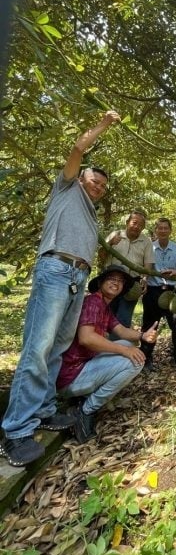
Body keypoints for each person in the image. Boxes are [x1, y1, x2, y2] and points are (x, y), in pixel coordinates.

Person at [0, 111, 120, 467]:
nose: (97, 187)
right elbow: (78, 147)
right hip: (55, 268)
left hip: (77, 276)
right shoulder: (66, 188)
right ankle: (16, 430)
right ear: (79, 177)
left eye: (102, 186)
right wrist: (104, 124)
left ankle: (44, 409)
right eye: (93, 181)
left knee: (57, 347)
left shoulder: (91, 212)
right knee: (37, 348)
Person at [57, 265, 158, 443]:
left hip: (83, 366)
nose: (116, 283)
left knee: (130, 343)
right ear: (101, 282)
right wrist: (125, 351)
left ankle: (88, 395)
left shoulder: (104, 305)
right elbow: (86, 338)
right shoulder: (93, 302)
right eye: (111, 278)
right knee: (135, 360)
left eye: (120, 281)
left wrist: (143, 335)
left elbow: (122, 332)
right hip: (71, 377)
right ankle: (86, 409)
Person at [140, 218, 176, 371]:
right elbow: (144, 267)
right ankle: (145, 359)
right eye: (160, 228)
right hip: (153, 291)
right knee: (149, 325)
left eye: (166, 228)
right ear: (156, 230)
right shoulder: (149, 247)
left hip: (171, 292)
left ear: (170, 230)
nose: (163, 231)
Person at [103, 210, 154, 328]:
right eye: (134, 223)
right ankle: (102, 344)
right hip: (111, 280)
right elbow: (101, 256)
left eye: (140, 225)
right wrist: (110, 243)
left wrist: (145, 278)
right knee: (105, 315)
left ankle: (118, 344)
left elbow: (148, 263)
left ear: (143, 228)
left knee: (123, 320)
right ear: (127, 222)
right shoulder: (115, 235)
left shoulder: (146, 242)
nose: (137, 227)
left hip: (132, 284)